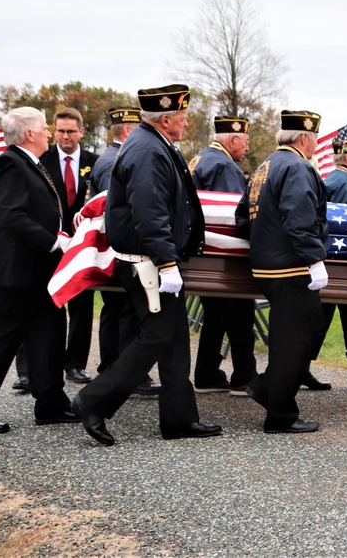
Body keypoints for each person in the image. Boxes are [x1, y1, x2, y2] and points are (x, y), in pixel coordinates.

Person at [72, 84, 221, 446]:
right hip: (148, 263)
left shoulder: (151, 144)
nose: (186, 125)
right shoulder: (147, 150)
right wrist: (167, 262)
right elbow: (149, 212)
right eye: (183, 119)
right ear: (166, 118)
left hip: (152, 260)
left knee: (173, 338)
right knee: (156, 336)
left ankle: (179, 418)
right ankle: (93, 401)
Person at [0, 107, 77, 435]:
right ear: (29, 133)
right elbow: (12, 216)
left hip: (34, 273)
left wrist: (59, 234)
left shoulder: (27, 163)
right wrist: (53, 242)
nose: (50, 133)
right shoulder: (9, 163)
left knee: (48, 335)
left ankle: (51, 404)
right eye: (46, 129)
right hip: (11, 275)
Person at [235, 110, 329, 434]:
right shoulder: (298, 167)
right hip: (290, 267)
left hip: (266, 264)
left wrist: (264, 243)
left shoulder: (265, 166)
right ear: (304, 137)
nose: (316, 144)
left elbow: (241, 218)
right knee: (295, 342)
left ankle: (265, 388)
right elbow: (300, 218)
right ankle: (280, 415)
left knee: (297, 333)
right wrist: (315, 260)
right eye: (315, 138)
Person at [89, 106, 160, 396]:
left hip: (112, 250)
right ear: (130, 131)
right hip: (120, 250)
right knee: (125, 313)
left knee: (116, 310)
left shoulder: (108, 157)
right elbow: (117, 207)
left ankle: (112, 367)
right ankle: (122, 372)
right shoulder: (114, 160)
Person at [188, 116, 258, 396]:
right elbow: (232, 215)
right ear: (232, 140)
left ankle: (206, 373)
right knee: (241, 313)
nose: (247, 149)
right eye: (245, 142)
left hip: (202, 255)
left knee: (215, 316)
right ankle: (245, 376)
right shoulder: (224, 166)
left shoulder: (199, 159)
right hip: (223, 257)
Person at [303, 135, 347, 391]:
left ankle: (303, 367)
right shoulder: (344, 182)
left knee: (325, 315)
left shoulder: (338, 178)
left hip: (330, 259)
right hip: (342, 261)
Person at [41, 107, 99, 385]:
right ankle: (32, 368)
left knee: (81, 305)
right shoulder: (41, 159)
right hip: (48, 242)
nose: (65, 136)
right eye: (61, 131)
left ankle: (75, 363)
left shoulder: (94, 162)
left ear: (81, 132)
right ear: (54, 131)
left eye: (71, 131)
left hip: (81, 245)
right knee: (41, 305)